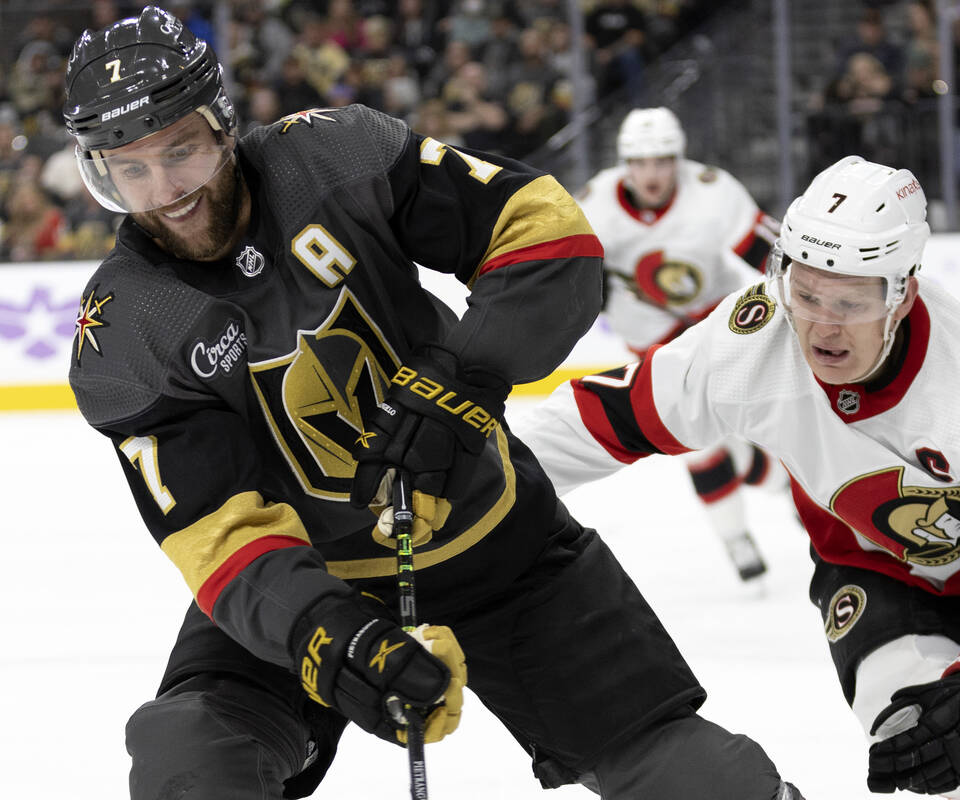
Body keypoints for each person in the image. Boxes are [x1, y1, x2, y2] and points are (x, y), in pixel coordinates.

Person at [61, 8, 805, 800]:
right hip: (312, 577)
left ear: (222, 124)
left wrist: (462, 385)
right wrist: (328, 635)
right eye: (127, 169)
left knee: (693, 778)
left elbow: (548, 236)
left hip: (498, 539)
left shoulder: (337, 155)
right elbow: (219, 535)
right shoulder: (124, 333)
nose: (165, 190)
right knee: (190, 754)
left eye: (182, 149)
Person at [513, 155, 960, 800]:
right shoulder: (750, 343)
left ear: (902, 296)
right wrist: (479, 474)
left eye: (850, 304)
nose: (821, 330)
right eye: (806, 295)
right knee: (924, 732)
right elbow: (598, 420)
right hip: (875, 563)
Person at [575, 106, 783, 583]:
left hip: (719, 318)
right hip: (651, 339)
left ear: (679, 158)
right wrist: (590, 289)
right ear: (625, 163)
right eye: (641, 162)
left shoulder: (711, 190)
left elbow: (768, 249)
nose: (653, 173)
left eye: (663, 160)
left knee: (754, 424)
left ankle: (783, 488)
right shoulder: (594, 205)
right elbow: (563, 276)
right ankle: (735, 536)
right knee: (691, 436)